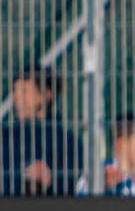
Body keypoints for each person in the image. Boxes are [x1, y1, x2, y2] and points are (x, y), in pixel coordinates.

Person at [1, 66, 81, 196]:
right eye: (15, 91)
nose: (16, 98)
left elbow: (78, 182)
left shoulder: (68, 142)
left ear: (46, 95)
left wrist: (51, 178)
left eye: (24, 91)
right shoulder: (5, 137)